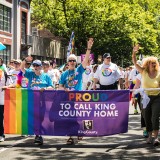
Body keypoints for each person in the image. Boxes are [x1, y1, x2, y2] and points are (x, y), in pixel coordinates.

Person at [59, 38, 94, 144]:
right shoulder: (64, 74)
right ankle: (70, 136)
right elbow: (59, 86)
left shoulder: (79, 69)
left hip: (79, 97)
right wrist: (64, 89)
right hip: (68, 99)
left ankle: (80, 132)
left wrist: (88, 48)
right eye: (70, 60)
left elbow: (85, 59)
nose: (72, 62)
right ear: (68, 62)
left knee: (80, 116)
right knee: (69, 118)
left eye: (74, 60)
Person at [132, 44, 160, 146]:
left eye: (154, 63)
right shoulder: (143, 72)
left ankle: (156, 138)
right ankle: (149, 136)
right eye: (150, 63)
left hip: (157, 97)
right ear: (147, 64)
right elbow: (135, 62)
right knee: (147, 117)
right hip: (145, 97)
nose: (152, 64)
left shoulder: (159, 73)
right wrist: (134, 52)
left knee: (155, 117)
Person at [20, 58, 53, 145]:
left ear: (41, 67)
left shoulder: (46, 76)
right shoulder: (30, 74)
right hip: (32, 99)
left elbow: (51, 86)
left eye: (37, 65)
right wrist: (24, 60)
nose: (35, 67)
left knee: (41, 118)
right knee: (34, 117)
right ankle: (38, 135)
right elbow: (21, 68)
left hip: (43, 100)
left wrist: (45, 88)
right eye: (34, 65)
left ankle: (38, 134)